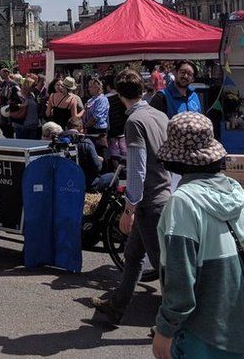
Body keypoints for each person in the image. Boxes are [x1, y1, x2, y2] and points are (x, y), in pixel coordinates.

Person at [151, 112, 244, 359]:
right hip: (242, 328)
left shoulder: (183, 201)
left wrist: (165, 329)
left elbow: (181, 277)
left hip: (201, 334)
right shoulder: (235, 192)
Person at [92, 69, 170, 324]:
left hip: (150, 201)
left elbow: (137, 166)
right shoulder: (158, 115)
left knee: (163, 267)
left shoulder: (135, 122)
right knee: (133, 255)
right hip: (161, 193)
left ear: (118, 94)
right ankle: (117, 304)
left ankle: (172, 325)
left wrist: (129, 208)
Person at [105, 78, 129, 164]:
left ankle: (116, 167)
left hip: (112, 126)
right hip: (122, 125)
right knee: (123, 145)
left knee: (113, 146)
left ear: (108, 86)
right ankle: (126, 165)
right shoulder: (121, 96)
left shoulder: (105, 98)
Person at [82, 77, 109, 145]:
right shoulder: (90, 100)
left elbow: (96, 117)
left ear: (97, 87)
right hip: (89, 129)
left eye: (91, 86)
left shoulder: (102, 99)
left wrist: (85, 126)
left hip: (98, 131)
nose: (88, 88)